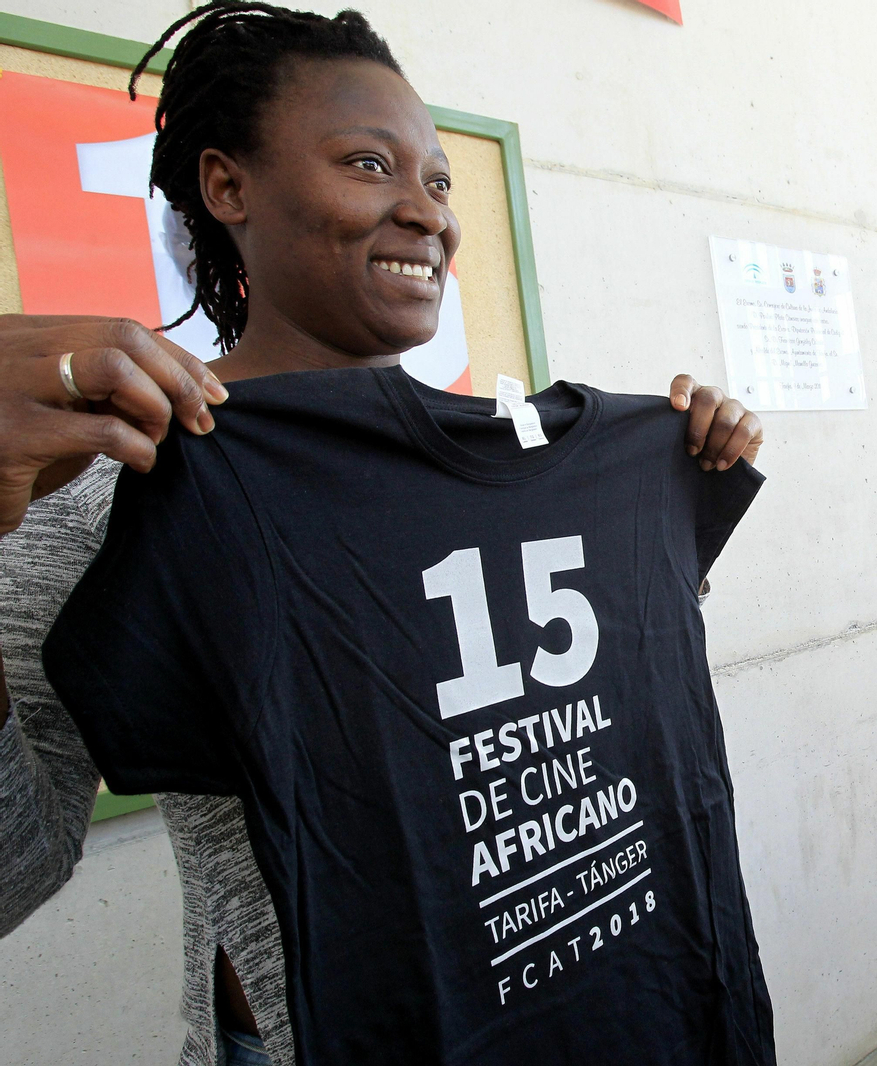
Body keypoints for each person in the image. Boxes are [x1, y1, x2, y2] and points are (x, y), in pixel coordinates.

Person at [0, 5, 766, 1063]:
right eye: (368, 164)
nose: (425, 213)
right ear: (227, 187)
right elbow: (11, 868)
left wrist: (668, 511)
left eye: (440, 181)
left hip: (615, 1000)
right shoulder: (117, 484)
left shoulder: (532, 456)